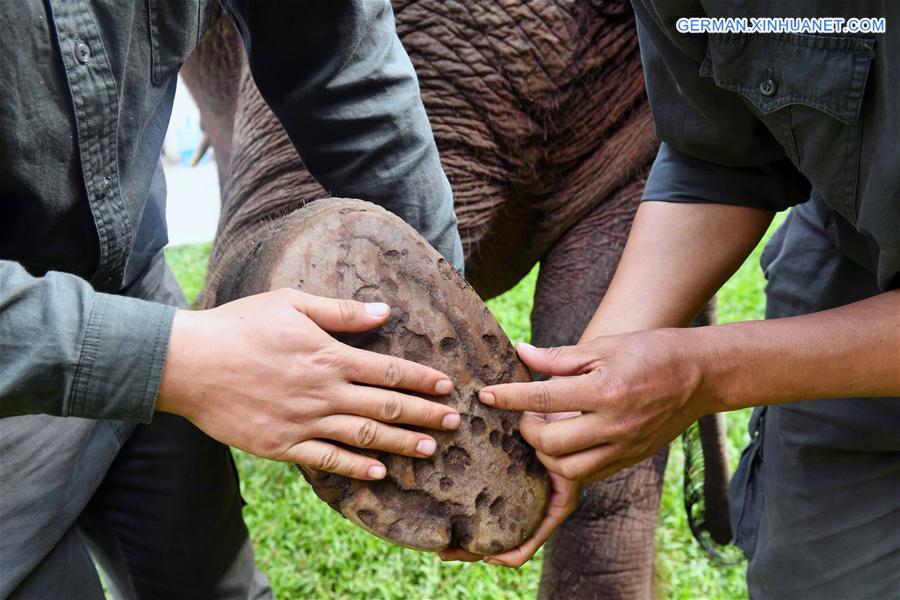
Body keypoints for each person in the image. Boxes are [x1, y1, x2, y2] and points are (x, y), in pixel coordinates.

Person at [0, 2, 464, 597]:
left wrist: (447, 329)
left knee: (217, 583)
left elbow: (342, 64)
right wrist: (175, 363)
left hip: (137, 291)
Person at [457, 2, 900, 597]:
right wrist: (588, 391)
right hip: (858, 248)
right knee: (815, 577)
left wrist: (704, 374)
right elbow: (721, 158)